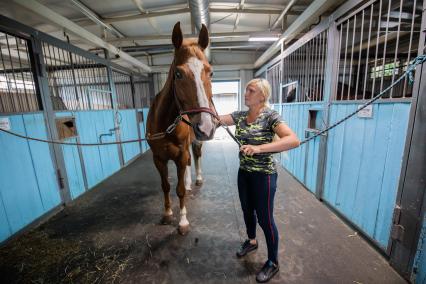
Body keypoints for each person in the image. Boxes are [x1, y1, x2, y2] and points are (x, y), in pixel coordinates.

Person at [219, 78, 300, 283]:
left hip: (264, 176)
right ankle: (252, 241)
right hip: (244, 173)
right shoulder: (240, 115)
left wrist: (259, 148)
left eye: (251, 90)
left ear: (262, 96)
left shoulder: (271, 116)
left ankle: (273, 262)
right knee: (247, 211)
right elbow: (218, 119)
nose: (246, 93)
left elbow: (293, 139)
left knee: (265, 219)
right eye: (246, 90)